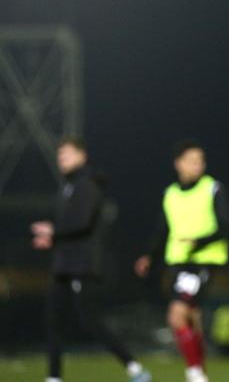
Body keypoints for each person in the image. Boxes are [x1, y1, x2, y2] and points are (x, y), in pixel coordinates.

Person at [30, 136, 151, 382]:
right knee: (53, 318)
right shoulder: (69, 185)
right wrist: (53, 239)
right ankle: (53, 377)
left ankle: (134, 368)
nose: (61, 159)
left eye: (66, 154)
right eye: (60, 155)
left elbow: (82, 223)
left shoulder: (88, 184)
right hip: (65, 263)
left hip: (83, 265)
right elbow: (70, 227)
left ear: (81, 156)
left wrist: (54, 233)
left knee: (91, 321)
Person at [134, 140, 229, 382]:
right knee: (192, 318)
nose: (198, 165)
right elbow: (162, 229)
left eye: (201, 160)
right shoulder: (171, 194)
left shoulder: (212, 188)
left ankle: (195, 373)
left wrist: (198, 242)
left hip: (202, 263)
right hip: (178, 264)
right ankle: (200, 370)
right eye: (192, 160)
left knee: (176, 316)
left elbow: (226, 226)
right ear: (178, 163)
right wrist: (149, 255)